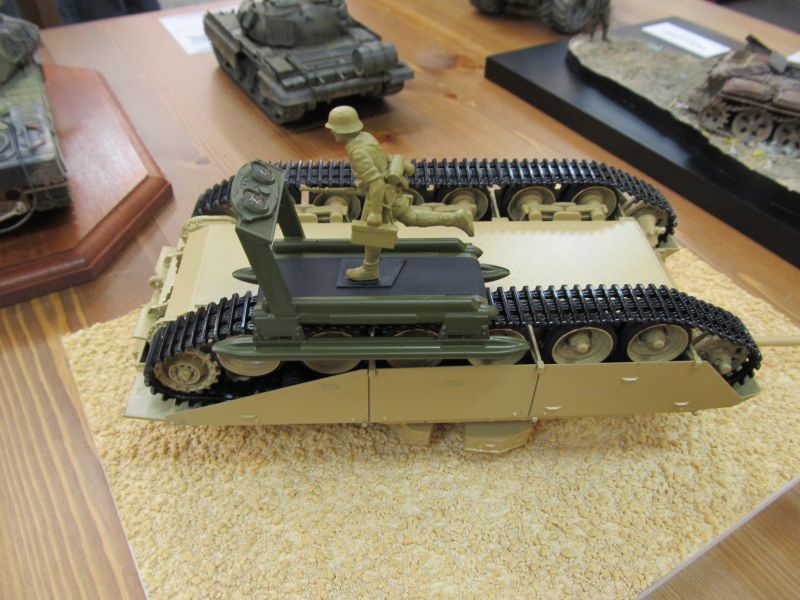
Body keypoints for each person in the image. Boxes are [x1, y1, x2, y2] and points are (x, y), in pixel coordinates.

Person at [325, 105, 474, 281]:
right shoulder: (365, 138)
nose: (332, 132)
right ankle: (456, 217)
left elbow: (376, 182)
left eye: (334, 128)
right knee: (407, 218)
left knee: (373, 231)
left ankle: (370, 269)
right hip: (386, 191)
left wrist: (375, 212)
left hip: (381, 196)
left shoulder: (357, 152)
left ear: (343, 129)